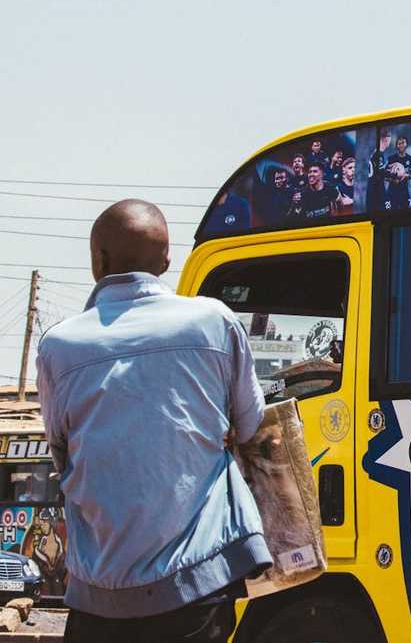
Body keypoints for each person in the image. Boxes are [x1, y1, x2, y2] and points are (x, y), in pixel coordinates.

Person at [37, 199, 270, 642]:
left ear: (98, 261)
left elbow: (60, 449)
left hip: (99, 591)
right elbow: (251, 424)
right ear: (167, 260)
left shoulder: (59, 346)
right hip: (197, 584)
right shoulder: (213, 321)